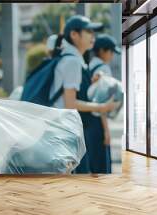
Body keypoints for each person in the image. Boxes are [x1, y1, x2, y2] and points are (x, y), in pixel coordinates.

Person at [48, 15, 117, 174]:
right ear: (74, 34)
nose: (93, 36)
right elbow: (70, 104)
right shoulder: (72, 61)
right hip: (67, 133)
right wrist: (102, 107)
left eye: (94, 32)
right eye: (88, 31)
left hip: (66, 132)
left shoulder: (72, 59)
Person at [87, 34, 121, 173]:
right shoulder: (103, 69)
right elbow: (101, 102)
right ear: (102, 50)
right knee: (103, 169)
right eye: (111, 51)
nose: (112, 55)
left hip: (87, 123)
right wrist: (106, 131)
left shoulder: (88, 66)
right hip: (97, 123)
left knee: (93, 167)